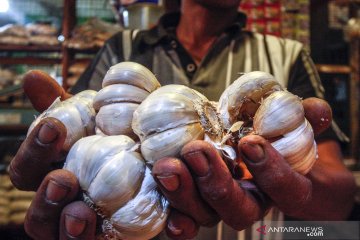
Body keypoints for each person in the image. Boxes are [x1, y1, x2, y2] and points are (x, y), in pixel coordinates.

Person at [9, 0, 356, 239]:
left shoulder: (288, 53)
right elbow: (90, 129)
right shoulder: (121, 48)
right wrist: (62, 147)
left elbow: (340, 198)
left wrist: (295, 191)